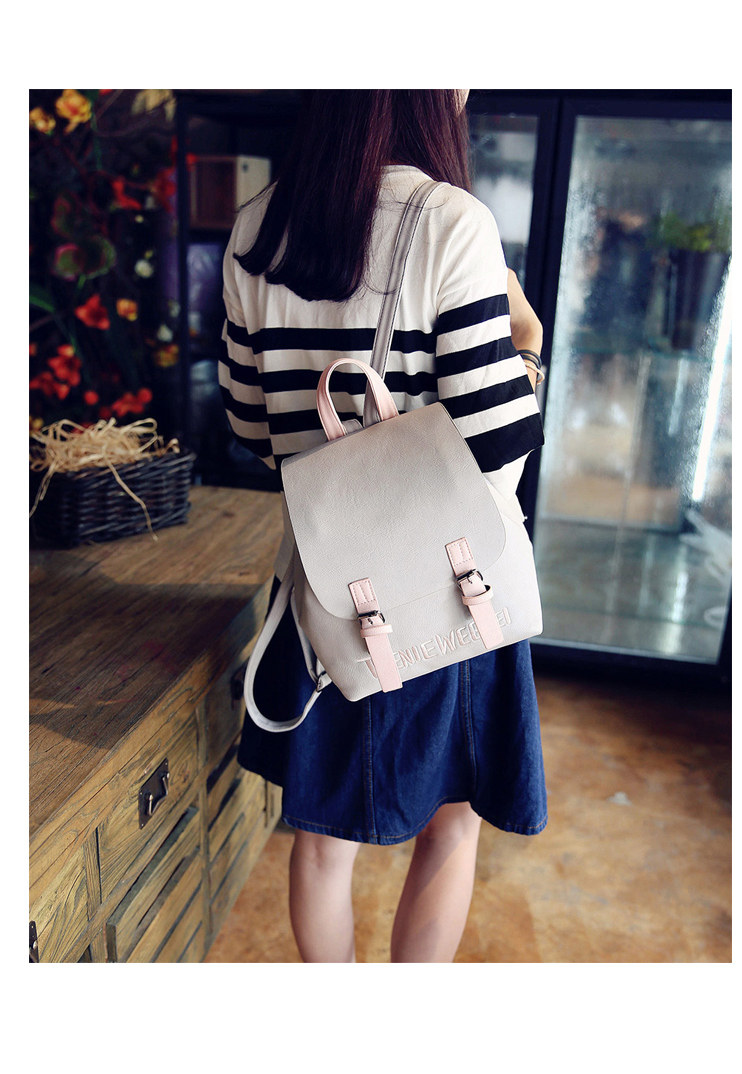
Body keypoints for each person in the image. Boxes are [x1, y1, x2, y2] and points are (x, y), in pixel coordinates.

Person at [220, 90, 547, 964]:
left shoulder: (256, 227)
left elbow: (251, 428)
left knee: (323, 840)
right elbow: (498, 444)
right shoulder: (451, 221)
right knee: (452, 825)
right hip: (449, 584)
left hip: (327, 588)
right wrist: (527, 344)